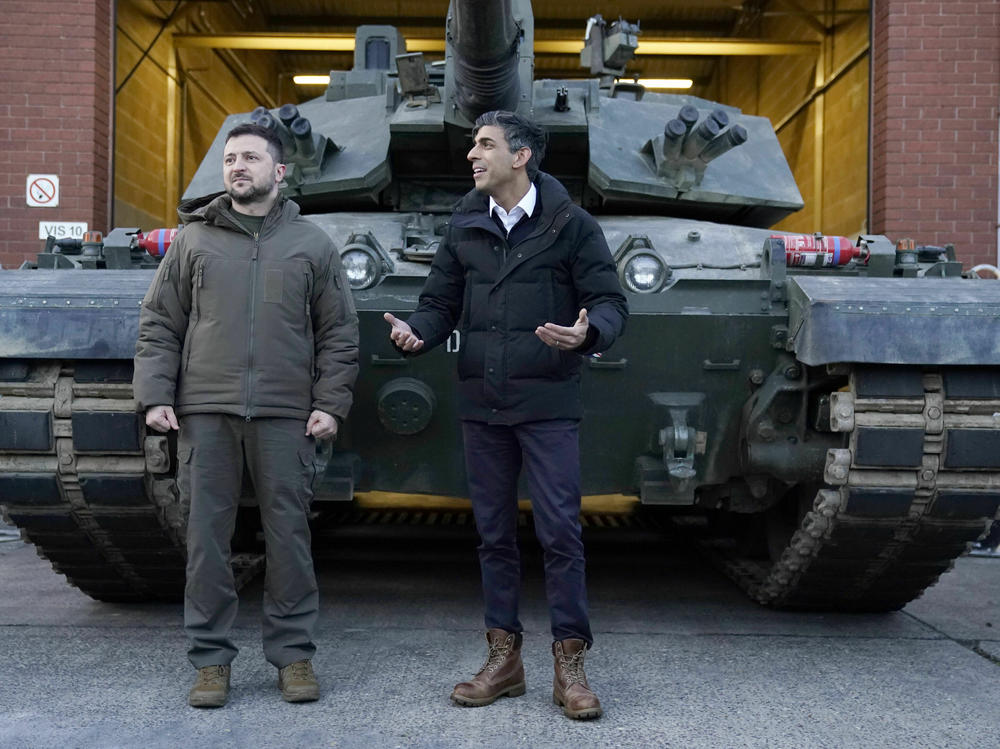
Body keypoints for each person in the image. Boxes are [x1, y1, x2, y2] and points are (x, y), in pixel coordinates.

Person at [384, 110, 628, 720]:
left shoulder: (571, 225)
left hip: (547, 406)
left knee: (561, 535)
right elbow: (440, 302)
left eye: (486, 145)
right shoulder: (465, 222)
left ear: (521, 157)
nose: (473, 154)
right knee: (494, 537)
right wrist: (418, 332)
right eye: (473, 144)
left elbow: (609, 301)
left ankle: (570, 664)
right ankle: (504, 658)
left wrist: (589, 332)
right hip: (483, 407)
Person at [134, 122, 359, 708]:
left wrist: (329, 403)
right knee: (207, 541)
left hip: (286, 414)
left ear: (278, 172)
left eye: (251, 158)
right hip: (204, 411)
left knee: (289, 538)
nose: (238, 167)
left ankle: (294, 658)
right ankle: (210, 661)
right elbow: (160, 323)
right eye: (231, 159)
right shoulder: (193, 243)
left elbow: (339, 333)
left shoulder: (312, 244)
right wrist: (156, 395)